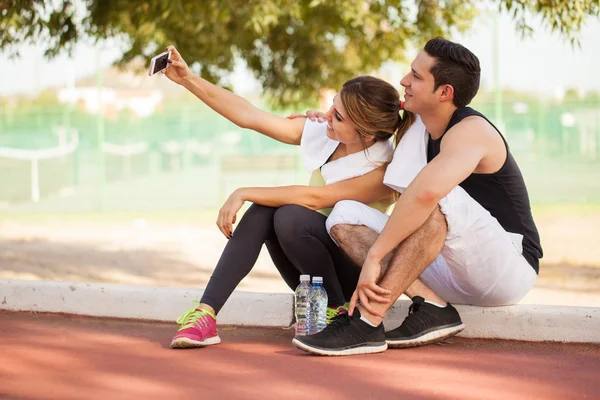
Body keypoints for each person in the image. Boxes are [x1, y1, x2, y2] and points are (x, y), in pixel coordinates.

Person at [292, 37, 543, 356]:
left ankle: (366, 324)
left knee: (437, 197)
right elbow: (370, 121)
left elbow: (425, 194)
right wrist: (327, 117)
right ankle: (432, 306)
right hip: (447, 265)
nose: (403, 81)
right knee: (343, 214)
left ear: (445, 92)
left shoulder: (472, 130)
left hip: (505, 268)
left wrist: (374, 257)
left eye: (416, 76)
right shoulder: (417, 127)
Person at [161, 45, 418, 348]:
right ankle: (206, 314)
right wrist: (188, 79)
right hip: (312, 275)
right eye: (332, 106)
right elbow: (249, 115)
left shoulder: (382, 171)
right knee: (263, 211)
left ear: (366, 134)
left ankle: (336, 311)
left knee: (289, 215)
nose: (326, 116)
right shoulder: (328, 133)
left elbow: (313, 198)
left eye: (338, 116)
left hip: (355, 278)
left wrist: (242, 191)